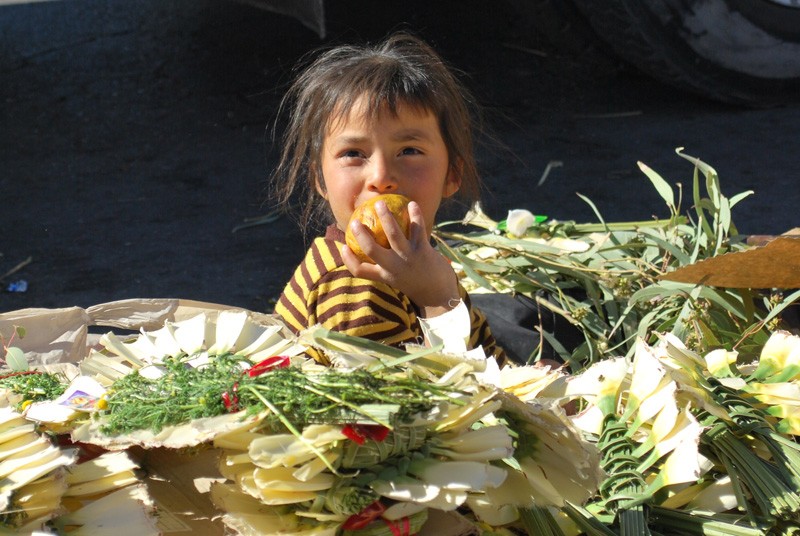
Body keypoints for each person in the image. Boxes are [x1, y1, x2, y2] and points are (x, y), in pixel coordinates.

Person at [270, 32, 507, 367]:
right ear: (319, 179)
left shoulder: (423, 268)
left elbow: (488, 363)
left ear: (452, 174)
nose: (381, 177)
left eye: (409, 151)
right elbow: (414, 406)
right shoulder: (354, 288)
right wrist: (439, 301)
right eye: (353, 153)